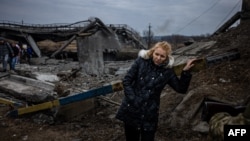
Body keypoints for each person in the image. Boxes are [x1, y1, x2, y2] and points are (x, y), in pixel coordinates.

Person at [116, 41, 196, 141]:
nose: (158, 58)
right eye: (156, 54)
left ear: (166, 57)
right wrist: (133, 99)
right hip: (132, 109)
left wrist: (186, 72)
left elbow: (181, 89)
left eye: (162, 56)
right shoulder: (141, 61)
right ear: (152, 52)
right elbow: (127, 81)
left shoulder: (167, 71)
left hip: (150, 113)